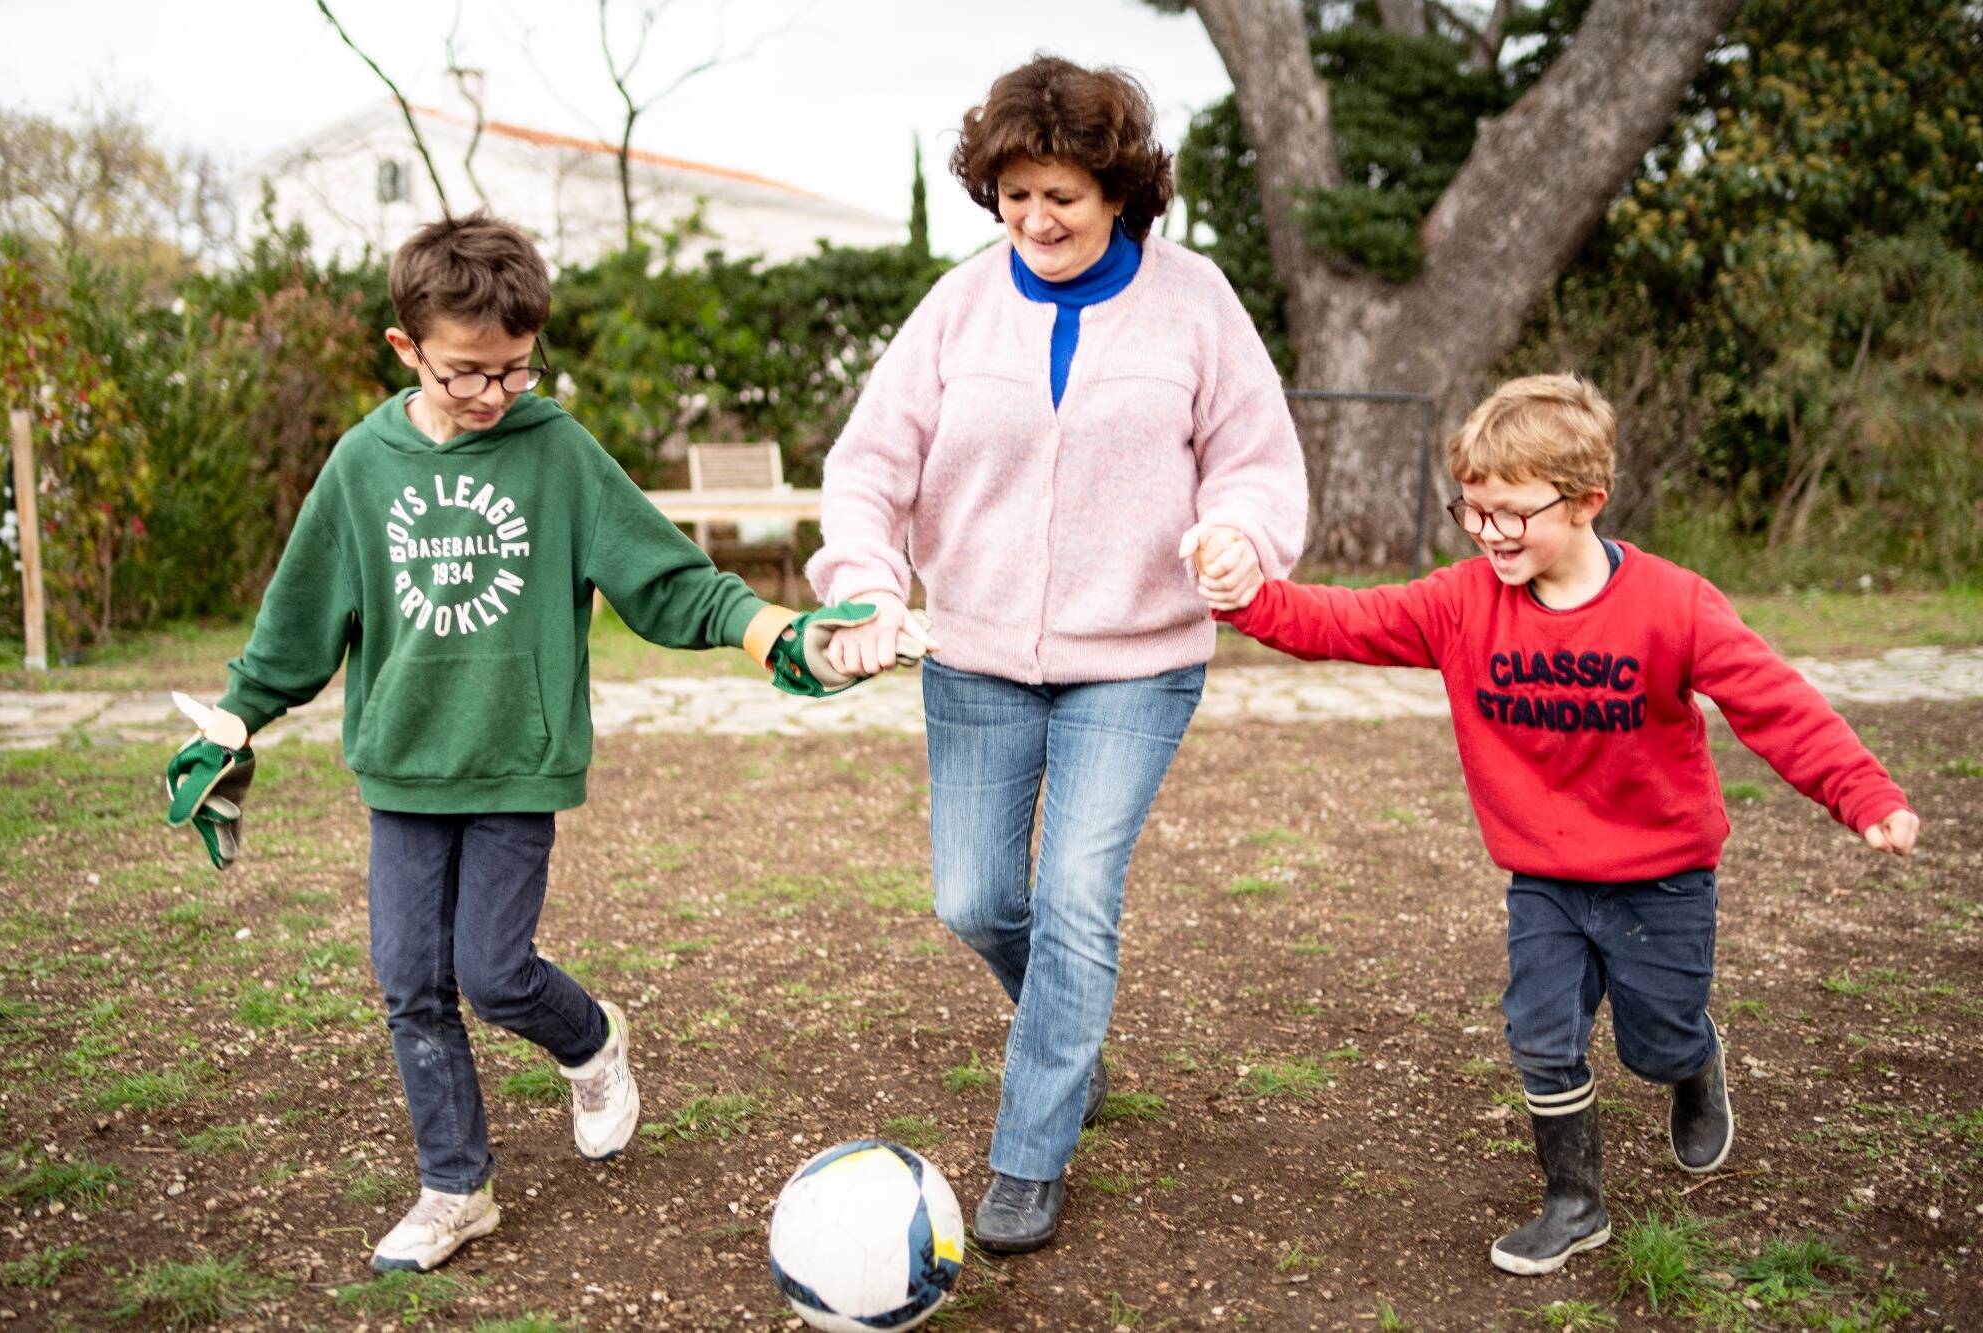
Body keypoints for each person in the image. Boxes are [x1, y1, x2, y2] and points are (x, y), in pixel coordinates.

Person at [158, 213, 905, 1273]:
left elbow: (667, 576)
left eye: (516, 369)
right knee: (411, 982)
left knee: (494, 973)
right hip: (404, 766)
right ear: (405, 347)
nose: (495, 393)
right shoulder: (361, 466)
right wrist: (240, 713)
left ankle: (590, 1040)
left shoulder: (555, 450)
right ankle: (455, 1188)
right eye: (467, 372)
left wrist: (775, 633)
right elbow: (300, 615)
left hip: (516, 760)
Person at [1203, 372, 1920, 1275]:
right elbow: (1345, 620)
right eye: (1473, 511)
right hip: (1544, 877)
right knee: (1540, 1033)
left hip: (1662, 877)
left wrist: (1865, 793)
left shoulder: (1674, 605)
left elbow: (1777, 705)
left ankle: (1694, 1061)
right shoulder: (1462, 604)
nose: (1491, 533)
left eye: (1513, 513)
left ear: (1587, 501)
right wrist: (1246, 597)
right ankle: (1575, 1202)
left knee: (1654, 1041)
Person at [804, 55, 1308, 1254]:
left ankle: (1029, 1150)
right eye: (1013, 195)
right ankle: (1063, 1033)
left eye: (1061, 198)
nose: (1034, 220)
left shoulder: (1195, 302)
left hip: (1136, 659)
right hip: (973, 652)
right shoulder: (958, 305)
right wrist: (868, 584)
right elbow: (868, 468)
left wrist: (1239, 537)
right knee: (974, 895)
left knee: (1077, 898)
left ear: (1119, 191)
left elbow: (1253, 459)